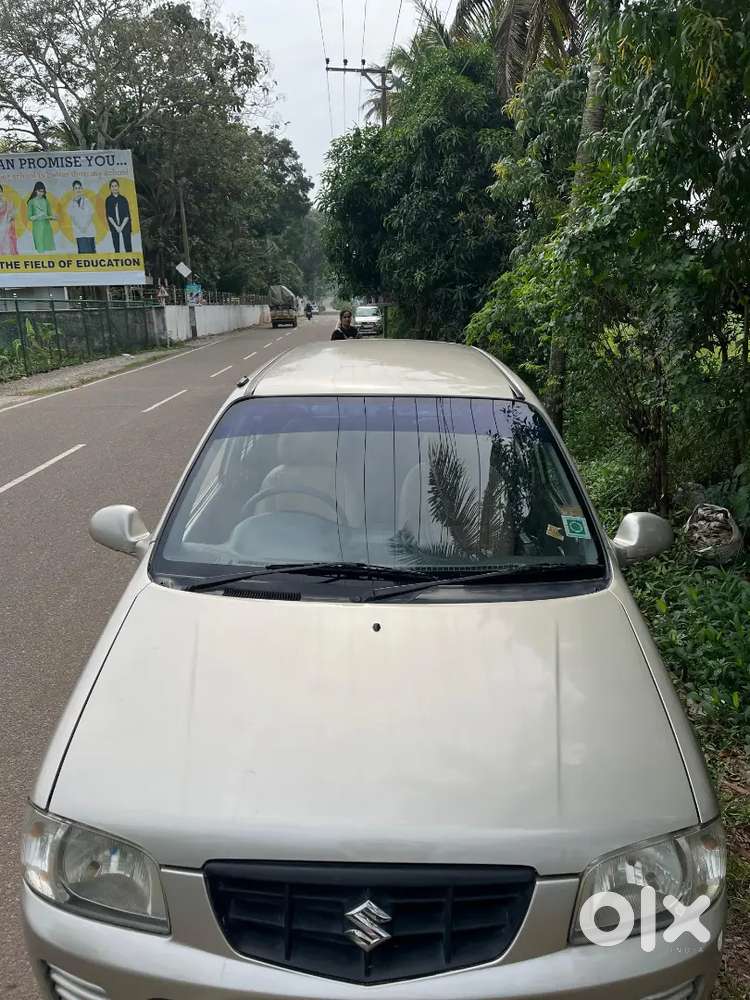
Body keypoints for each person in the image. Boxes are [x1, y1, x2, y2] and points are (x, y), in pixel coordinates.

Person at [68, 180, 96, 254]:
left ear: (82, 189)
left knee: (92, 253)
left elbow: (91, 215)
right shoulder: (71, 203)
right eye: (76, 188)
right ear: (73, 190)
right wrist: (80, 228)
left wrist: (85, 227)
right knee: (83, 253)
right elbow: (72, 218)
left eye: (79, 188)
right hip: (79, 232)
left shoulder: (87, 201)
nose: (78, 190)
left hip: (89, 230)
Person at [27, 181, 55, 253]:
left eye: (43, 192)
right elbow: (29, 217)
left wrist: (54, 217)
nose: (41, 193)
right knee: (40, 249)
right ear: (35, 190)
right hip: (37, 228)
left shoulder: (46, 201)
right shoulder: (31, 202)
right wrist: (38, 215)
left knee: (48, 249)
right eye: (40, 191)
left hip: (47, 227)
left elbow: (49, 215)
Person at [105, 178, 132, 252]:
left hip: (125, 224)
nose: (114, 188)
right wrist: (116, 227)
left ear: (118, 187)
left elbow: (127, 216)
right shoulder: (108, 200)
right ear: (110, 188)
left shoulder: (123, 199)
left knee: (128, 246)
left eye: (116, 186)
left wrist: (121, 227)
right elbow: (109, 216)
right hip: (114, 225)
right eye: (112, 186)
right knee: (116, 248)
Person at [0, 184, 18, 254]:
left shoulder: (8, 203)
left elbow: (12, 215)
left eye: (0, 191)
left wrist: (10, 219)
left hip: (6, 227)